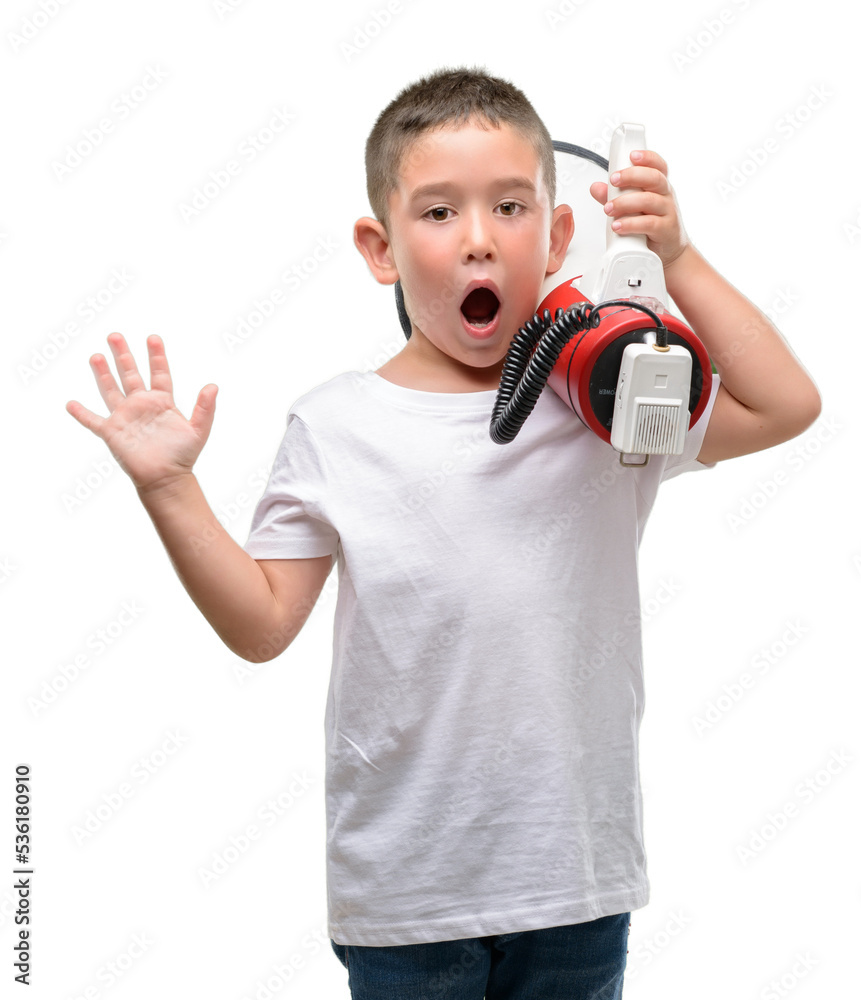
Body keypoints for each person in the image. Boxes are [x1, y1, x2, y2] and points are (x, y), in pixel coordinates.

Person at [66, 66, 821, 1000]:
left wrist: (677, 259)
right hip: (408, 896)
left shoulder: (607, 401)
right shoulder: (336, 424)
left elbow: (787, 405)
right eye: (437, 214)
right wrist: (171, 489)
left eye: (509, 208)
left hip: (575, 884)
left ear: (553, 240)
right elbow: (261, 628)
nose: (476, 239)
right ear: (379, 249)